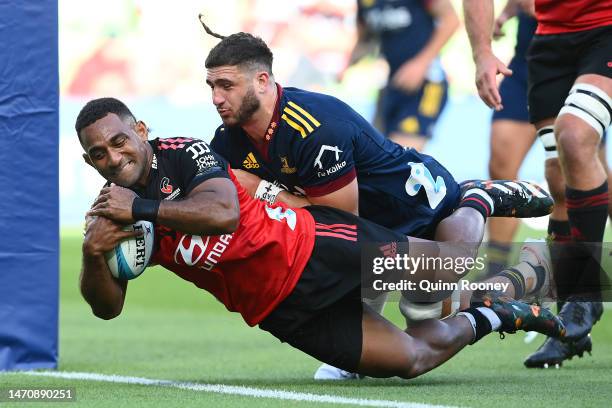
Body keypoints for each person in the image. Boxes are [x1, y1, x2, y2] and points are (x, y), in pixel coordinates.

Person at [78, 97, 565, 379]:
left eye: (119, 141)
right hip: (282, 310)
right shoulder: (110, 215)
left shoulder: (181, 153)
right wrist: (93, 255)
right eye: (99, 154)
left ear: (140, 130)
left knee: (449, 267)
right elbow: (107, 308)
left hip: (317, 247)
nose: (114, 157)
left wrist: (140, 208)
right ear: (90, 163)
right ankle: (500, 310)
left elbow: (223, 213)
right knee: (413, 359)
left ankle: (477, 197)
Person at [200, 28, 554, 378]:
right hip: (373, 233)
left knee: (445, 270)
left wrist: (262, 190)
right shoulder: (228, 141)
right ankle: (525, 279)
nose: (216, 98)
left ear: (262, 81)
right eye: (212, 87)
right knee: (426, 327)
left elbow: (337, 224)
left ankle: (477, 198)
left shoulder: (316, 127)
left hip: (419, 209)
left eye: (226, 86)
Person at [463, 0, 611, 368]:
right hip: (549, 40)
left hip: (605, 31)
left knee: (575, 138)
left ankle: (585, 291)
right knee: (558, 178)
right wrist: (482, 51)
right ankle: (568, 328)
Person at [346, 0, 460, 151]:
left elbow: (451, 20)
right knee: (372, 153)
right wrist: (345, 63)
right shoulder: (366, 3)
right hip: (391, 85)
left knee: (398, 158)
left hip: (426, 84)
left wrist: (421, 63)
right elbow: (365, 39)